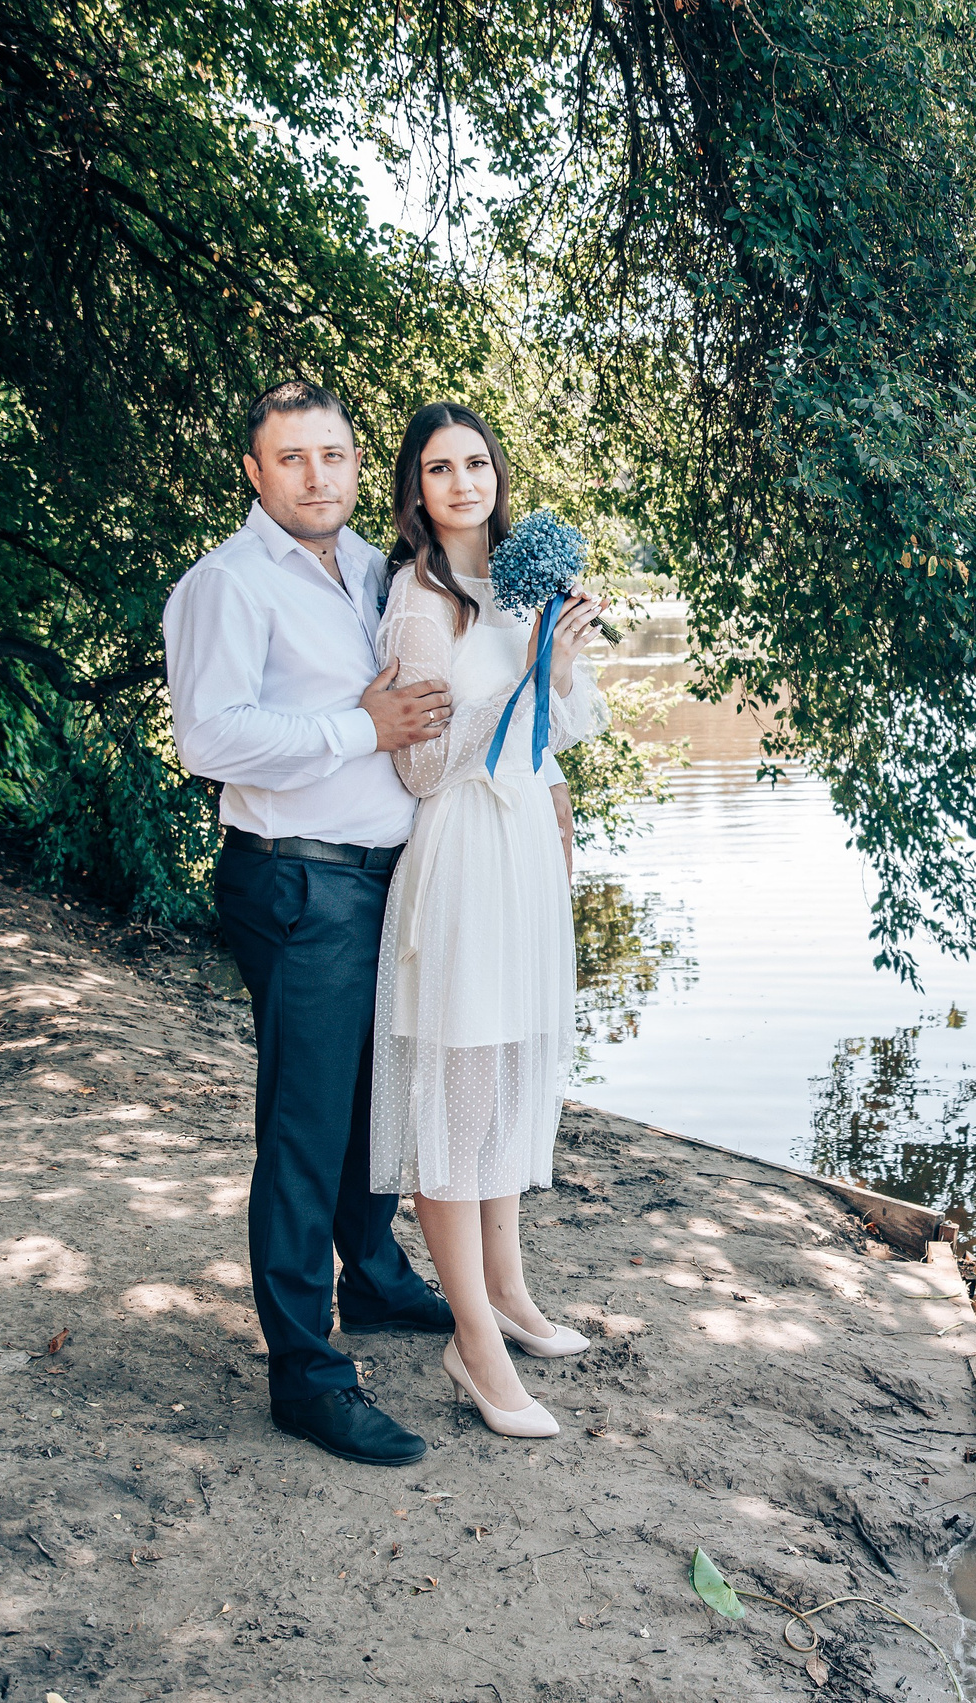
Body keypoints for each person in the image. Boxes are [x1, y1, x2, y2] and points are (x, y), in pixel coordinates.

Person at [161, 379, 460, 1467]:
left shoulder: (374, 572)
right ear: (254, 470)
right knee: (302, 1128)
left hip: (385, 878)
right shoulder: (228, 584)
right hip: (300, 883)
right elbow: (209, 737)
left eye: (332, 454)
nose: (317, 475)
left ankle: (371, 1275)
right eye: (292, 458)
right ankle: (306, 1374)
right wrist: (359, 726)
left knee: (370, 1100)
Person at [371, 401, 608, 1438]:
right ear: (415, 491)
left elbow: (554, 727)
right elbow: (421, 765)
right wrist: (524, 677)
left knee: (510, 1072)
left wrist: (555, 665)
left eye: (475, 462)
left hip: (522, 851)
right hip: (463, 851)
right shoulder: (418, 604)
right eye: (438, 467)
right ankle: (471, 1337)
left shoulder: (516, 581)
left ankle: (508, 1290)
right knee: (458, 1100)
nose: (463, 482)